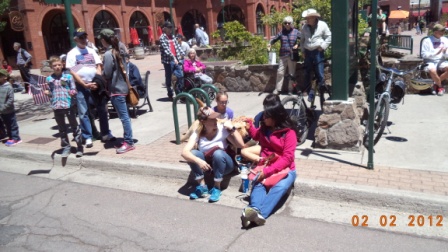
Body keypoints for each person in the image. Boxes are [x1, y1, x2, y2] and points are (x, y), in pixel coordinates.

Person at [239, 94, 297, 227]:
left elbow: (288, 158)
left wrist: (268, 172)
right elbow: (256, 135)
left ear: (275, 118)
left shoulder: (289, 133)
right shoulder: (265, 128)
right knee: (259, 182)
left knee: (280, 187)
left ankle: (258, 213)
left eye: (266, 116)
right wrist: (249, 124)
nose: (263, 118)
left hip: (286, 169)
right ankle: (255, 211)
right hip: (266, 164)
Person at [181, 106, 244, 202]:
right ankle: (202, 186)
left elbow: (240, 145)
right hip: (208, 167)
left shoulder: (222, 129)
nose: (216, 120)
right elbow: (184, 152)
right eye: (212, 119)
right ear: (203, 121)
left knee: (218, 153)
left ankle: (217, 187)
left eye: (216, 118)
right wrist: (198, 161)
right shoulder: (198, 132)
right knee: (193, 153)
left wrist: (232, 129)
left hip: (225, 165)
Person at [66, 28, 115, 148]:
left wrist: (97, 81)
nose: (84, 40)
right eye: (81, 37)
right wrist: (83, 84)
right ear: (75, 39)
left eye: (85, 37)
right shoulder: (72, 53)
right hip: (81, 86)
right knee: (83, 112)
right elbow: (73, 71)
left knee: (102, 110)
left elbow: (98, 66)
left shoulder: (92, 51)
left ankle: (105, 133)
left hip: (96, 85)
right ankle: (88, 137)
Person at [98, 28, 136, 154]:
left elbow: (107, 73)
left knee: (124, 117)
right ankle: (128, 140)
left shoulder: (109, 54)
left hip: (116, 89)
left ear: (104, 40)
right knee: (125, 116)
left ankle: (129, 142)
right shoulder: (119, 50)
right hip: (123, 87)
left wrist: (100, 73)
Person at [44, 56, 83, 157]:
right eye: (54, 65)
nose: (57, 67)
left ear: (62, 65)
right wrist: (47, 93)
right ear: (51, 67)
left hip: (68, 105)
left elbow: (74, 89)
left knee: (74, 126)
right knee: (62, 128)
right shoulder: (49, 79)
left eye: (59, 65)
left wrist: (72, 92)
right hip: (57, 106)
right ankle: (66, 147)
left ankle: (79, 146)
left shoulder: (68, 77)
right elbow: (50, 92)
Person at [301, 9, 331, 101]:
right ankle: (306, 90)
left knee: (319, 71)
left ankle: (321, 90)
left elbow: (329, 36)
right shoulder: (304, 27)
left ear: (314, 17)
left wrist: (323, 46)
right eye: (306, 18)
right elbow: (302, 40)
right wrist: (302, 51)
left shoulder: (322, 25)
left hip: (318, 51)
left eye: (308, 18)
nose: (307, 19)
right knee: (307, 71)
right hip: (308, 51)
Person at [267, 16, 301, 95]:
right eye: (285, 23)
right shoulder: (282, 32)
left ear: (291, 23)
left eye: (288, 23)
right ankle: (278, 89)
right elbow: (274, 39)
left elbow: (303, 39)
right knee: (280, 72)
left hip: (292, 55)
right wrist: (270, 43)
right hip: (283, 55)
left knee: (291, 73)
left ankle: (290, 90)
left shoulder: (296, 32)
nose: (287, 24)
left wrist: (298, 45)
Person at [159, 21, 185, 101]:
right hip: (168, 61)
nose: (171, 29)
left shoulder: (173, 36)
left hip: (175, 59)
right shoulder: (162, 38)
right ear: (165, 28)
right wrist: (174, 58)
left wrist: (183, 53)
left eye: (172, 27)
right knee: (169, 78)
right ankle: (170, 94)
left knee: (180, 75)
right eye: (170, 28)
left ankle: (179, 93)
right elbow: (167, 50)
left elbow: (178, 46)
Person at [420, 24, 447, 96]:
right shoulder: (427, 40)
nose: (443, 33)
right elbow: (424, 55)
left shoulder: (445, 40)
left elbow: (446, 54)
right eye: (441, 31)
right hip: (430, 60)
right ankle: (440, 87)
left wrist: (444, 53)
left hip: (441, 60)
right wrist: (435, 53)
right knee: (432, 70)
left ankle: (434, 84)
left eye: (443, 31)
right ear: (435, 32)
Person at [0, 69, 22, 147]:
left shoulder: (8, 87)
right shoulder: (0, 86)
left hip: (9, 111)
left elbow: (10, 100)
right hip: (2, 112)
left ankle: (16, 138)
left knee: (12, 125)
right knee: (7, 125)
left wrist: (4, 107)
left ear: (5, 77)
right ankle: (10, 138)